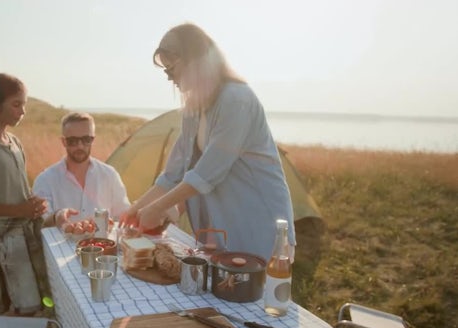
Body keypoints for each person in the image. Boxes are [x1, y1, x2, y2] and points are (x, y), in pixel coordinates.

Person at [120, 23, 296, 261]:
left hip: (260, 222)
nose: (169, 77)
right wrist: (135, 209)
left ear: (193, 60)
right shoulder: (194, 109)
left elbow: (206, 174)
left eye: (170, 68)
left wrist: (156, 209)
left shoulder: (236, 100)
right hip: (227, 223)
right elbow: (173, 174)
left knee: (259, 294)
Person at [0, 73, 65, 316]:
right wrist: (18, 211)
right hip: (8, 242)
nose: (22, 111)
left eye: (24, 104)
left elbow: (16, 190)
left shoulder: (14, 142)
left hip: (29, 231)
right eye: (16, 104)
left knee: (42, 294)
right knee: (22, 301)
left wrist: (32, 203)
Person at [32, 112, 131, 223]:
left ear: (93, 140)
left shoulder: (109, 175)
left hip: (101, 240)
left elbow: (123, 217)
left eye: (86, 139)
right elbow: (41, 225)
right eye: (73, 141)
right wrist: (57, 217)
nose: (80, 146)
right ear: (64, 142)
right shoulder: (45, 180)